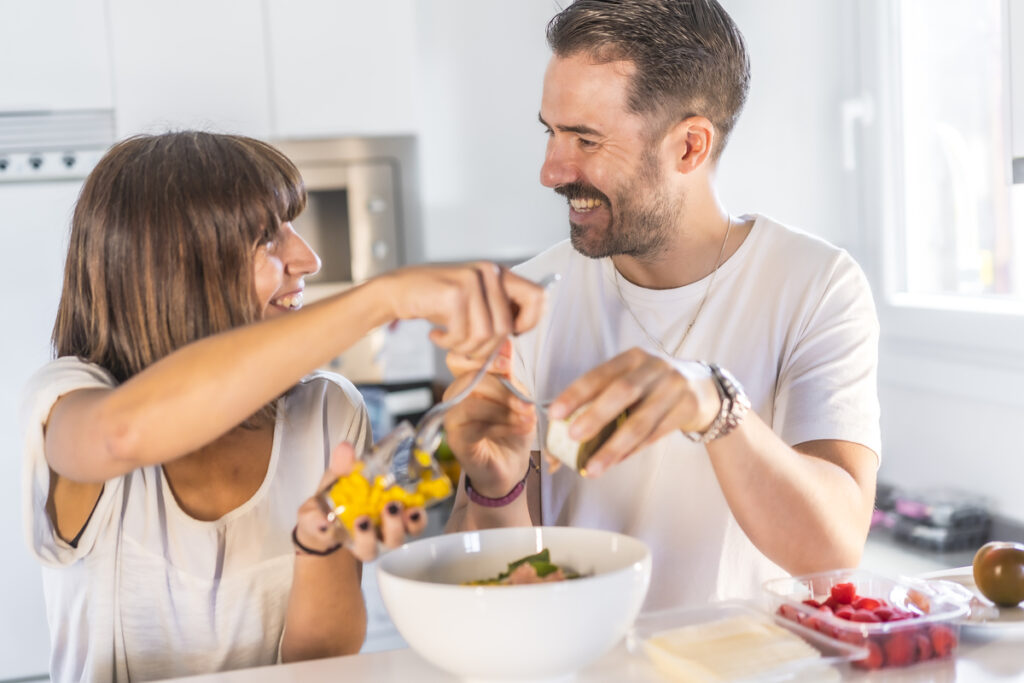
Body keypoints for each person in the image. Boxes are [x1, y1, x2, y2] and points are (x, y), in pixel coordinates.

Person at [21, 131, 545, 682]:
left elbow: (319, 661)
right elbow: (121, 436)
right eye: (267, 238)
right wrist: (385, 296)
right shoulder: (67, 399)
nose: (308, 258)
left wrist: (319, 545)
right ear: (177, 266)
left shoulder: (327, 411)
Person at [442, 0, 881, 611]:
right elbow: (493, 597)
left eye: (585, 139)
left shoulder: (815, 285)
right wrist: (495, 487)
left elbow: (831, 551)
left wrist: (715, 402)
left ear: (689, 147)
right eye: (551, 131)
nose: (550, 170)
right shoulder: (529, 299)